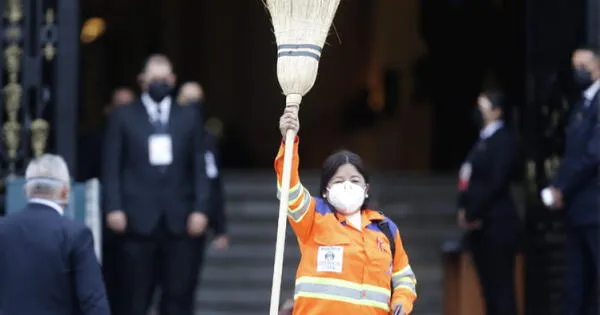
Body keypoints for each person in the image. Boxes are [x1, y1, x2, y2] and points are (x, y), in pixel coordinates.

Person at [277, 107, 417, 315]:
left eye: (354, 180)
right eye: (339, 180)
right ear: (326, 190)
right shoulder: (312, 216)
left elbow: (404, 276)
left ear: (366, 188)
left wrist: (402, 303)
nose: (347, 185)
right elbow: (289, 187)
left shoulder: (386, 229)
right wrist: (289, 142)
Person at [102, 54, 210, 315]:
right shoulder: (123, 116)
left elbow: (199, 166)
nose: (159, 83)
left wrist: (201, 208)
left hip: (179, 219)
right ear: (142, 80)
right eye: (154, 79)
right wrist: (113, 206)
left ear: (172, 80)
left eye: (164, 79)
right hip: (135, 220)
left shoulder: (189, 117)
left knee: (178, 296)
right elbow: (112, 165)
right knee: (135, 297)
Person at [0, 154, 110, 315]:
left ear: (26, 191)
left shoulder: (3, 229)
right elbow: (93, 302)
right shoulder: (76, 235)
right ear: (65, 193)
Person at [541, 48, 599, 315]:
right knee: (576, 282)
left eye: (583, 65)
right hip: (577, 208)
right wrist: (557, 188)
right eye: (574, 65)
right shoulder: (581, 104)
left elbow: (592, 154)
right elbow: (570, 154)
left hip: (595, 207)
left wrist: (562, 187)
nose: (578, 72)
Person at [456, 89, 520, 315]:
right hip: (481, 227)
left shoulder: (503, 140)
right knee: (489, 291)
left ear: (497, 111)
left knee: (501, 291)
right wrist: (464, 209)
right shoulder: (483, 140)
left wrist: (473, 213)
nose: (478, 112)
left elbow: (496, 182)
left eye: (483, 107)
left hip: (496, 224)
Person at [177, 81, 229, 249]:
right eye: (188, 99)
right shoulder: (165, 134)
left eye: (197, 100)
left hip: (196, 219)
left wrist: (219, 227)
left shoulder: (206, 139)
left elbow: (213, 183)